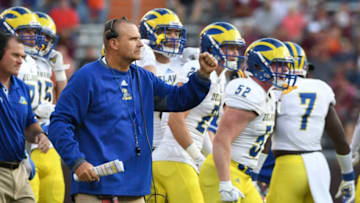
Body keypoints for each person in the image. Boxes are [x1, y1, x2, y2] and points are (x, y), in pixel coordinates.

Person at [48, 17, 217, 203]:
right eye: (133, 39)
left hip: (135, 189)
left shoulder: (144, 78)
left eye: (139, 38)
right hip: (97, 187)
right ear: (113, 43)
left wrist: (202, 76)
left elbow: (179, 99)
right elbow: (59, 123)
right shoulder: (86, 77)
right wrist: (77, 162)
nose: (141, 45)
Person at [148, 21, 246, 203]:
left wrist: (209, 160)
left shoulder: (221, 78)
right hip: (174, 157)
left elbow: (203, 129)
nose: (234, 54)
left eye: (236, 48)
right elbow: (174, 119)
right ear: (212, 48)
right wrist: (197, 157)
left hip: (180, 159)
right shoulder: (196, 69)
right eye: (229, 48)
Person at [199, 38, 297, 203]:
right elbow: (222, 140)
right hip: (224, 172)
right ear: (259, 66)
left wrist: (255, 174)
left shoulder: (269, 95)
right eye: (278, 64)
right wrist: (225, 183)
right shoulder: (249, 91)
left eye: (286, 65)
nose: (285, 70)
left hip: (244, 175)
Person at [265, 41, 355, 203]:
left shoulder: (276, 92)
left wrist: (255, 172)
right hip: (318, 165)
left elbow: (266, 135)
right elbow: (340, 138)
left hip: (288, 165)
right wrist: (348, 175)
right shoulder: (320, 88)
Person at [0, 32, 50, 203]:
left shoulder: (21, 87)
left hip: (19, 171)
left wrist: (40, 135)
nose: (20, 61)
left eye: (22, 56)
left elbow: (29, 124)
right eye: (15, 55)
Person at [29, 11, 68, 203]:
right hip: (26, 144)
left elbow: (63, 105)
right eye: (39, 35)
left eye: (47, 38)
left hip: (49, 146)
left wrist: (59, 72)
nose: (42, 42)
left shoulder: (45, 65)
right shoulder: (17, 62)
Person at [139, 8, 188, 149]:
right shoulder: (139, 62)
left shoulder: (182, 64)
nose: (173, 37)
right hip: (146, 145)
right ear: (148, 34)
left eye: (176, 32)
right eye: (166, 32)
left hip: (175, 146)